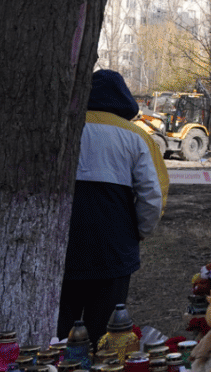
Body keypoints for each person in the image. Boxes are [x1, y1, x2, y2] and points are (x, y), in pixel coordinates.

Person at [56, 70, 169, 347]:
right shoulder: (137, 137)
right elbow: (152, 196)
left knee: (58, 334)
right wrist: (139, 232)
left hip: (61, 246)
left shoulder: (62, 127)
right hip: (113, 249)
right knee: (106, 334)